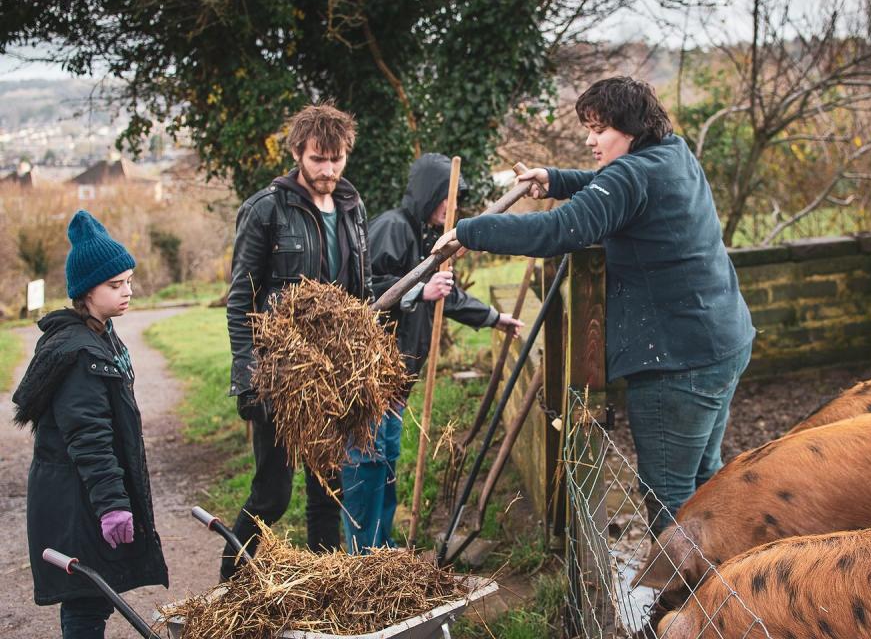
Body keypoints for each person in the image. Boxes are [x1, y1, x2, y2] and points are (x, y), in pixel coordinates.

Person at [433, 77, 755, 533]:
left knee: (669, 492)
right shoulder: (671, 152)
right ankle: (723, 581)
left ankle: (688, 597)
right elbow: (614, 189)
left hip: (678, 363)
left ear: (631, 128)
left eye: (599, 129)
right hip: (723, 342)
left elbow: (558, 230)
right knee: (705, 478)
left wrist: (471, 232)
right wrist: (556, 179)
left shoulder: (631, 174)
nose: (589, 139)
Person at [340, 153, 523, 552]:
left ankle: (380, 548)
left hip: (397, 381)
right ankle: (360, 555)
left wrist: (495, 319)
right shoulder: (393, 228)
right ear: (430, 194)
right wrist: (419, 291)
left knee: (386, 462)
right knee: (366, 465)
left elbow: (446, 295)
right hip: (370, 378)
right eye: (447, 199)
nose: (451, 208)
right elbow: (365, 288)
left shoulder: (425, 235)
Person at [223, 102, 373, 578]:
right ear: (297, 153)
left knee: (329, 491)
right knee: (273, 494)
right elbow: (240, 300)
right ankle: (230, 582)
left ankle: (324, 588)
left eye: (336, 159)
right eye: (317, 160)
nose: (327, 170)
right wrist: (249, 379)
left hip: (332, 375)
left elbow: (361, 295)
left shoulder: (352, 207)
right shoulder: (267, 209)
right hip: (281, 374)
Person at [13, 210, 168, 638]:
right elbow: (89, 437)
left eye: (129, 281)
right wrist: (113, 505)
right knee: (85, 605)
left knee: (92, 601)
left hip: (81, 496)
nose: (127, 292)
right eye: (115, 285)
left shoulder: (101, 335)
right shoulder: (81, 351)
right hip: (77, 500)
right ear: (86, 291)